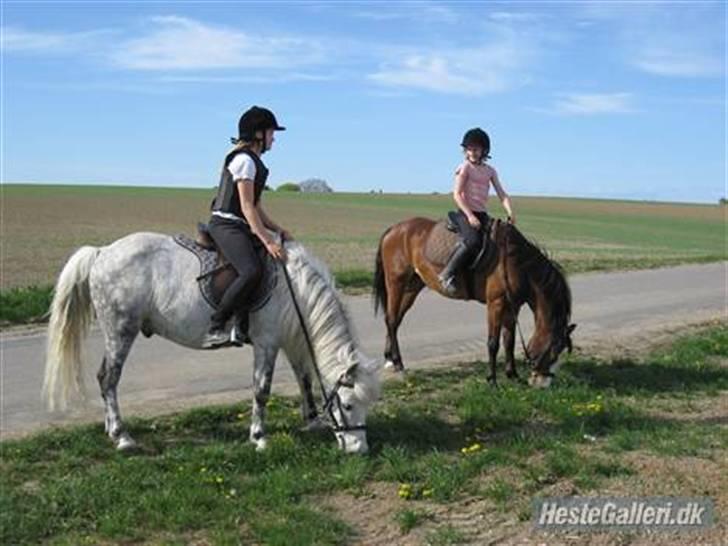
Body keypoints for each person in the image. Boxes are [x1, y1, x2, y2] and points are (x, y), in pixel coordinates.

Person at [203, 106, 291, 348]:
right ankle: (216, 325)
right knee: (250, 270)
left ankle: (243, 327)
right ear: (258, 134)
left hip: (240, 224)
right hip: (226, 225)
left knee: (263, 265)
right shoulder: (244, 161)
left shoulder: (255, 163)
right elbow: (247, 207)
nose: (274, 139)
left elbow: (257, 206)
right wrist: (268, 241)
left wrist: (277, 229)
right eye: (272, 133)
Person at [438, 127, 516, 295]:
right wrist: (470, 216)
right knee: (472, 241)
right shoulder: (464, 168)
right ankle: (447, 274)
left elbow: (502, 194)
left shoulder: (490, 171)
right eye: (469, 148)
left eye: (476, 149)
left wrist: (510, 212)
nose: (472, 152)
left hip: (482, 213)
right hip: (464, 213)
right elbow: (457, 195)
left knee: (501, 238)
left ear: (484, 150)